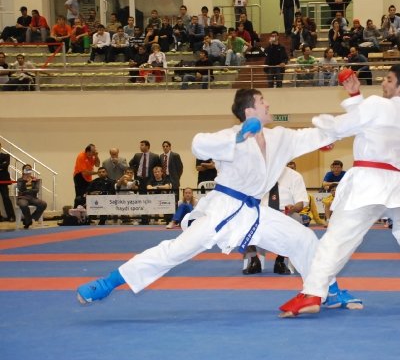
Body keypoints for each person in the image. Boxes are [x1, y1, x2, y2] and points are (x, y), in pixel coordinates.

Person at [76, 88, 357, 310]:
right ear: (249, 110)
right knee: (175, 251)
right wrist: (238, 138)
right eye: (262, 101)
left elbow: (313, 135)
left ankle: (329, 291)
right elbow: (198, 145)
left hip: (253, 211)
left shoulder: (280, 138)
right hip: (222, 209)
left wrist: (344, 122)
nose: (268, 104)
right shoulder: (230, 136)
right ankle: (107, 283)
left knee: (304, 239)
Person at [279, 64, 400, 318]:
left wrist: (322, 131)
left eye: (389, 79)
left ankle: (313, 293)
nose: (383, 82)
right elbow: (369, 123)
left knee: (337, 239)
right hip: (394, 183)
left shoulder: (377, 105)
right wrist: (354, 95)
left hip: (367, 183)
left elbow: (344, 125)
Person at [16, 164, 47, 229]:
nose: (28, 171)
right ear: (23, 171)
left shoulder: (35, 180)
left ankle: (31, 219)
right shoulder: (20, 180)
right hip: (23, 198)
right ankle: (29, 220)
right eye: (26, 169)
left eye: (29, 169)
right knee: (23, 204)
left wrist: (28, 187)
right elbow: (21, 189)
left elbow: (36, 190)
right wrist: (25, 182)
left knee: (43, 204)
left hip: (33, 197)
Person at [0, 141, 16, 222]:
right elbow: (2, 166)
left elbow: (5, 165)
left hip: (3, 179)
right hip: (3, 176)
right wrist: (1, 167)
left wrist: (2, 166)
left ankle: (11, 216)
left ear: (0, 147)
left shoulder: (6, 156)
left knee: (6, 198)